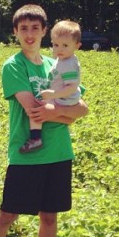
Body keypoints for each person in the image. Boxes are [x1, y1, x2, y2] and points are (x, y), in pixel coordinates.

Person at [0, 4, 88, 237]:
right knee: (8, 213)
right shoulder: (14, 66)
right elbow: (34, 110)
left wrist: (59, 112)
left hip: (59, 152)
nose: (29, 34)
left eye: (35, 28)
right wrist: (65, 114)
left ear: (44, 30)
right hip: (26, 153)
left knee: (49, 217)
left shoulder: (58, 63)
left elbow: (82, 109)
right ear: (15, 32)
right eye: (23, 29)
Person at [19, 19, 82, 153]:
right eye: (56, 45)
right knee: (39, 109)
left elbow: (71, 87)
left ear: (77, 46)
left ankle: (36, 138)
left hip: (64, 98)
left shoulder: (68, 64)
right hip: (64, 97)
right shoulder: (64, 59)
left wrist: (53, 95)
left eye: (65, 45)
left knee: (36, 110)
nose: (59, 49)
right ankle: (66, 118)